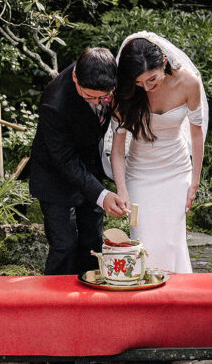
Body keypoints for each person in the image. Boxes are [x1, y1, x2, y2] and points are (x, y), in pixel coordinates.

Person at [107, 32, 207, 273]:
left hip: (176, 170)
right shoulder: (125, 95)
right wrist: (122, 190)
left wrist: (195, 180)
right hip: (139, 173)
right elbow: (118, 151)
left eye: (151, 79)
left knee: (172, 241)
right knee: (142, 240)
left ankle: (176, 302)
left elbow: (196, 133)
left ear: (163, 62)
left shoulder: (189, 83)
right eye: (139, 83)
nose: (147, 88)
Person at [29, 47, 131, 275]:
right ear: (75, 77)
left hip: (89, 169)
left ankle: (90, 301)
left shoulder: (108, 76)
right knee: (64, 246)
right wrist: (102, 195)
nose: (97, 103)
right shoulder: (54, 103)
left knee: (93, 243)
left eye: (103, 97)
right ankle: (56, 304)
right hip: (54, 175)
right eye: (89, 97)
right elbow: (65, 160)